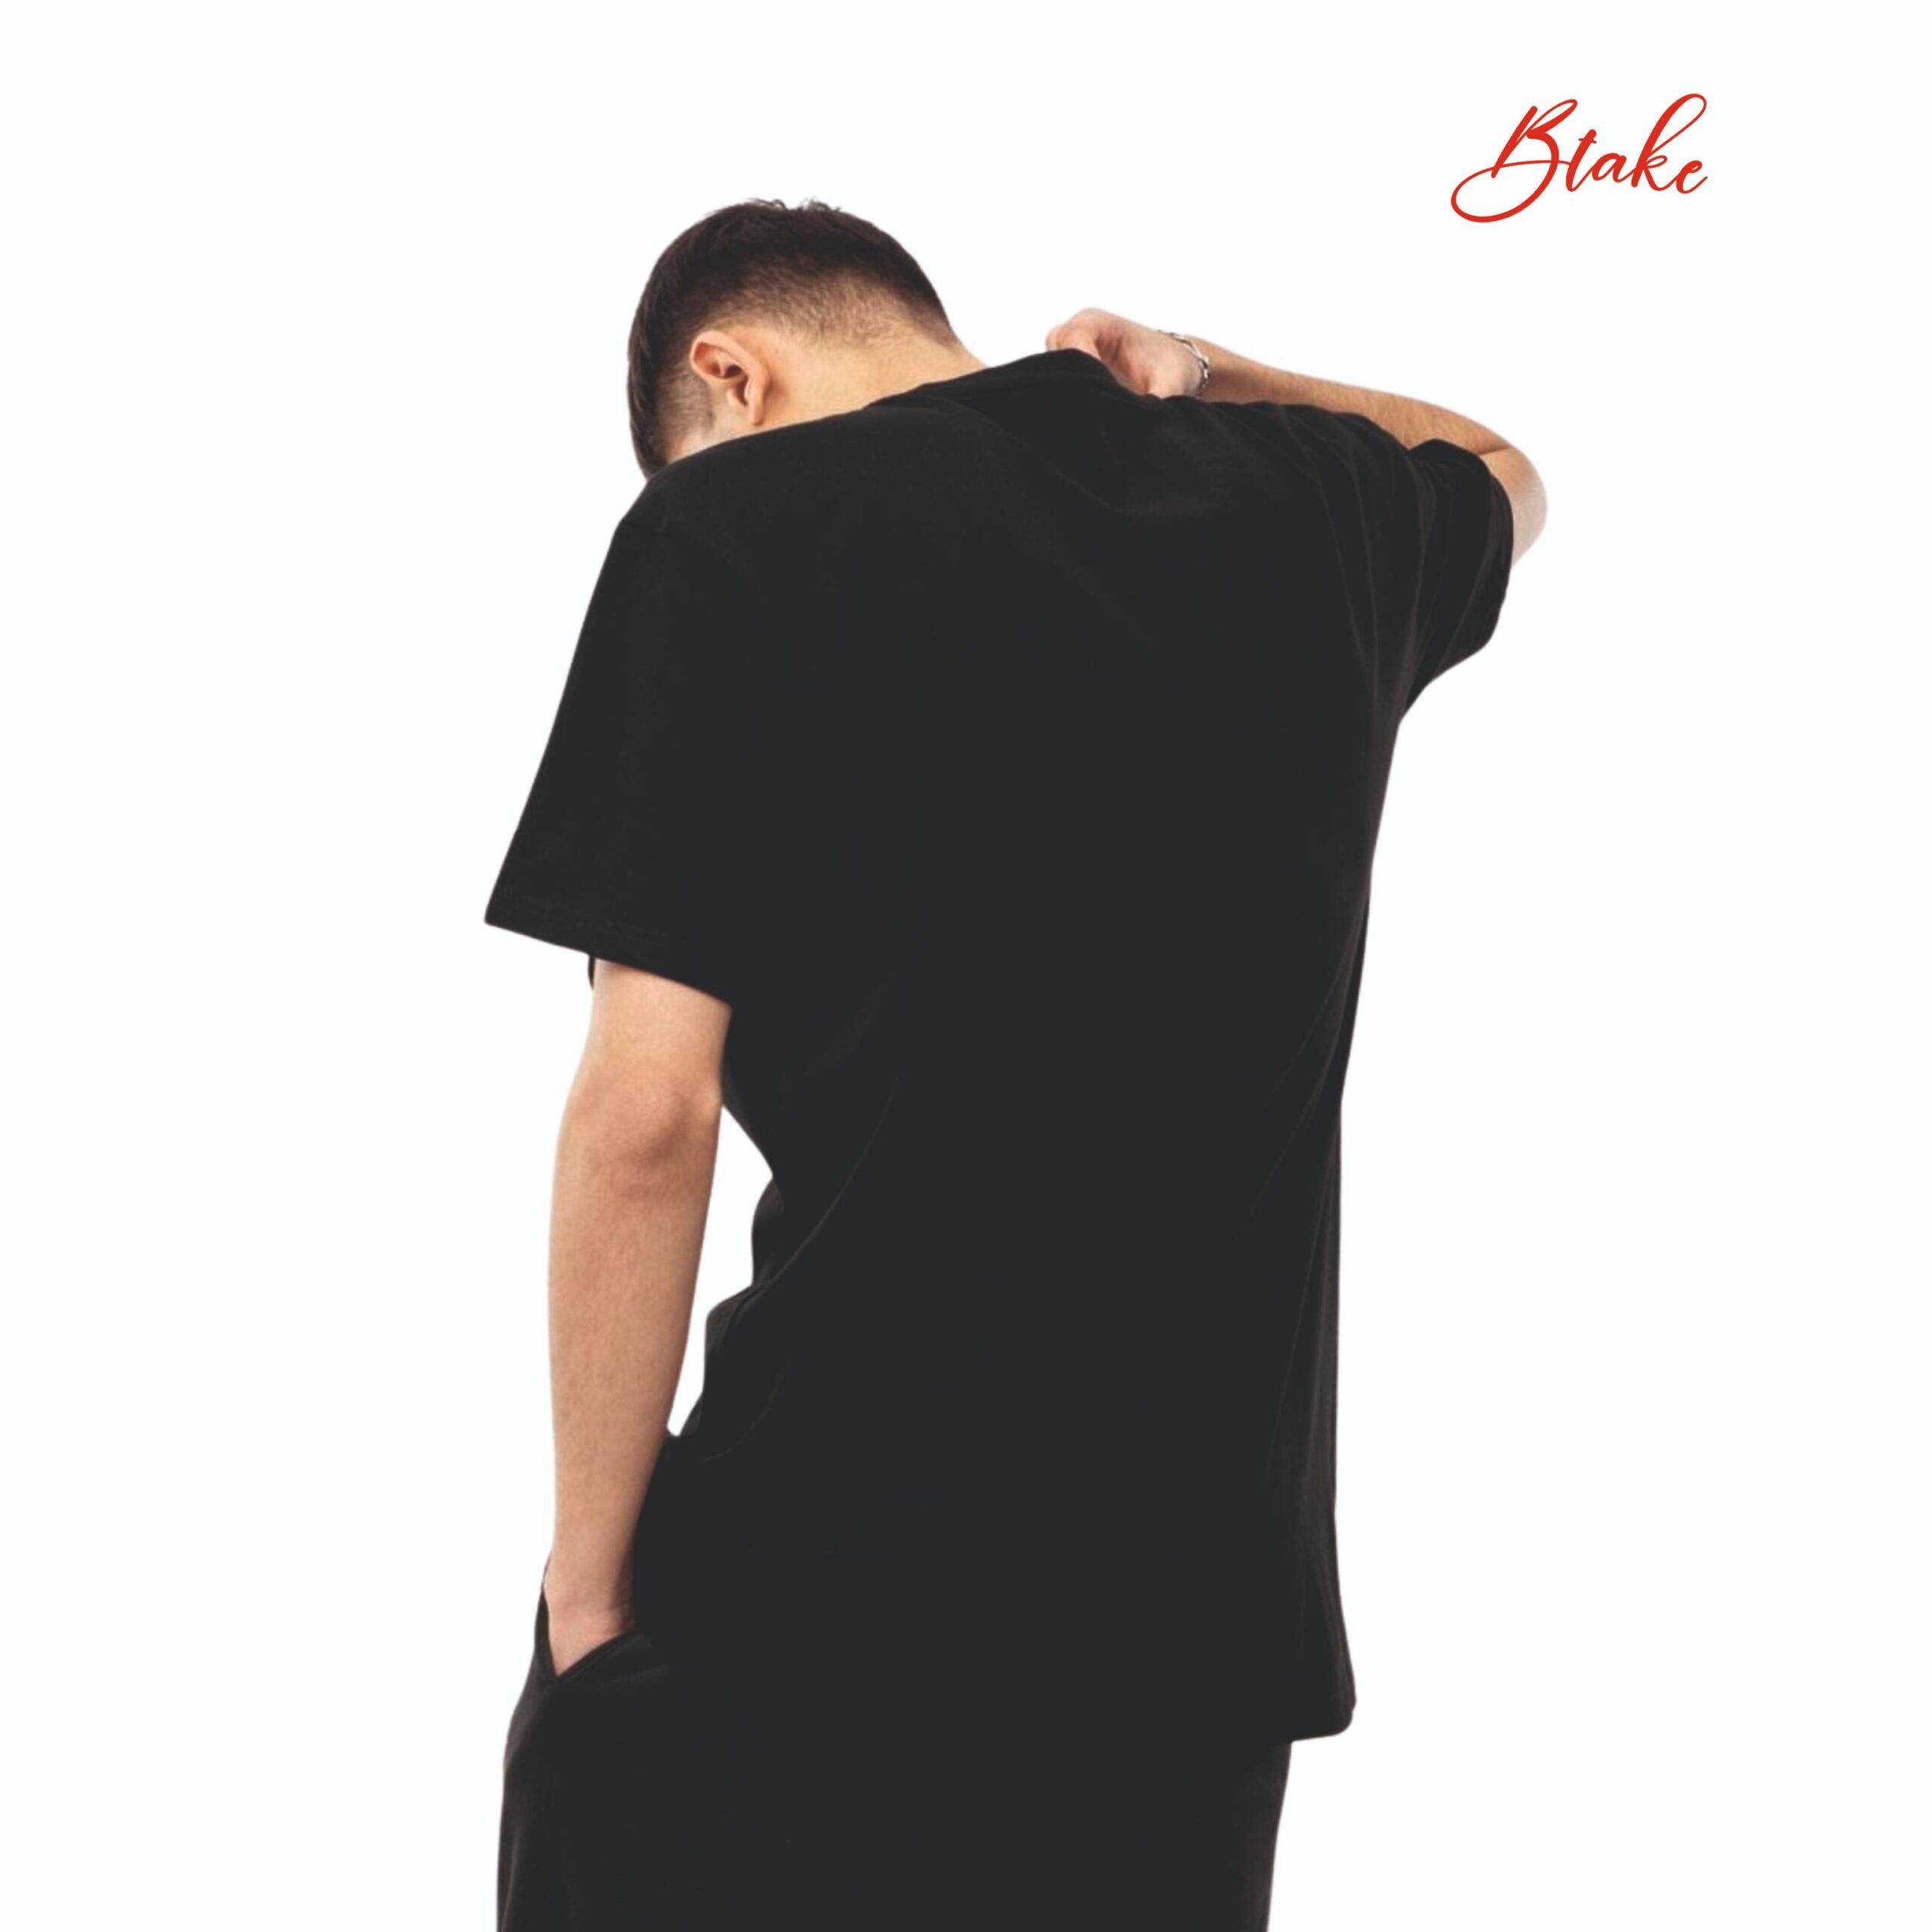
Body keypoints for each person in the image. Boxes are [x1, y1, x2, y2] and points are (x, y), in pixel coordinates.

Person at [483, 196, 1546, 1931]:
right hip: (1196, 1645)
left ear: (728, 374)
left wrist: (586, 1599)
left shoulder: (730, 525)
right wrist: (1206, 370)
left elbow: (644, 1117)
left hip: (812, 1594)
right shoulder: (1308, 507)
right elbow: (1505, 470)